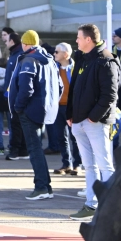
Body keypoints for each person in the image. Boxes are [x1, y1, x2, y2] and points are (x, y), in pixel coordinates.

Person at [68, 23, 120, 220]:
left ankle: (113, 207)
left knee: (105, 164)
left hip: (95, 123)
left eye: (79, 37)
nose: (76, 41)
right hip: (79, 122)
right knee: (89, 166)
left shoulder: (106, 60)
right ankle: (91, 205)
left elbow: (110, 95)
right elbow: (74, 89)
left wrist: (92, 117)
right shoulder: (82, 59)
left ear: (88, 39)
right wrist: (70, 115)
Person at [10, 30, 57, 200]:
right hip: (43, 109)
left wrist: (18, 107)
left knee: (34, 149)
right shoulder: (49, 60)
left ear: (25, 44)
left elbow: (26, 88)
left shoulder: (29, 60)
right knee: (37, 148)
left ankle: (42, 187)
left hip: (29, 111)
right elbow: (59, 86)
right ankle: (46, 186)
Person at [51, 43, 78, 176]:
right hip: (57, 107)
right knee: (61, 137)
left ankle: (77, 164)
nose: (54, 54)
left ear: (65, 54)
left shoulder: (76, 68)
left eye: (57, 52)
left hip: (72, 107)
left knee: (75, 136)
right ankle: (66, 164)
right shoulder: (53, 68)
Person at [2, 30, 28, 160]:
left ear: (12, 41)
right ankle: (22, 150)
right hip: (13, 94)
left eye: (7, 40)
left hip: (16, 95)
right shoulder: (15, 55)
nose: (5, 43)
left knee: (16, 124)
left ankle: (16, 150)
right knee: (18, 123)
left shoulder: (18, 56)